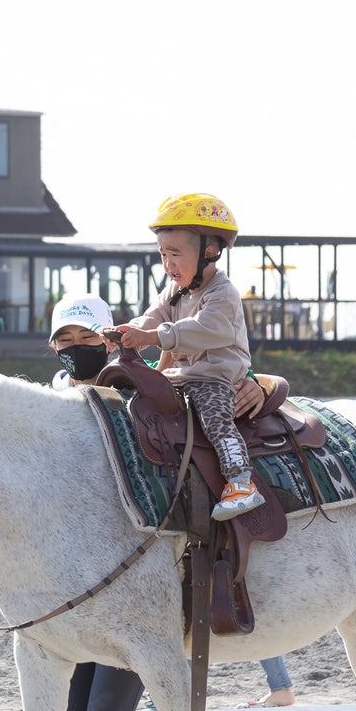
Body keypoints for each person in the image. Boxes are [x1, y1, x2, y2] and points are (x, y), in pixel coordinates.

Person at [38, 292, 183, 711]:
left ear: (110, 336)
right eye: (63, 342)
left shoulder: (141, 389)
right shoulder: (51, 404)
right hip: (80, 598)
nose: (74, 352)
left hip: (140, 593)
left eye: (84, 339)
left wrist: (264, 378)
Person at [110, 193, 265, 521]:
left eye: (176, 254)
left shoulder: (222, 294)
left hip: (214, 378)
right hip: (178, 378)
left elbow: (201, 329)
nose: (168, 264)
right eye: (163, 254)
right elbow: (153, 315)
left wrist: (152, 337)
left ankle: (241, 481)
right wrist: (129, 331)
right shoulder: (174, 290)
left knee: (215, 418)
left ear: (210, 251)